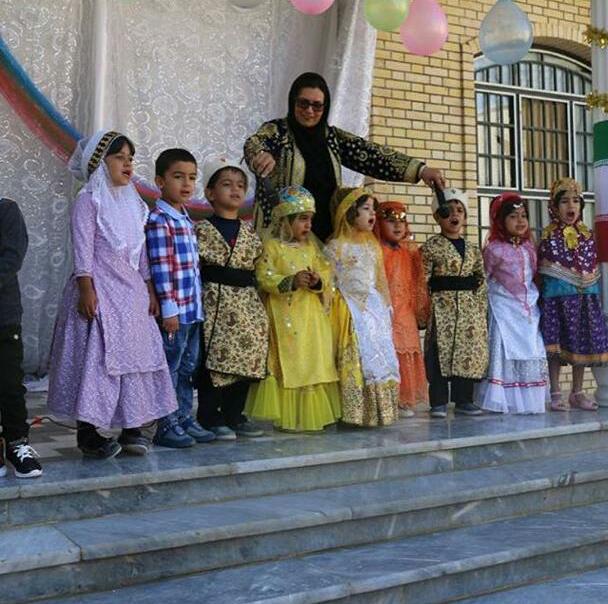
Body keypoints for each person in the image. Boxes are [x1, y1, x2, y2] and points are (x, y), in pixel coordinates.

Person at [47, 130, 177, 458]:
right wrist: (86, 288)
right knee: (95, 361)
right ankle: (89, 434)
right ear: (99, 163)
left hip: (131, 295)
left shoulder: (135, 204)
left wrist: (149, 287)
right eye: (119, 157)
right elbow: (83, 247)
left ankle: (132, 427)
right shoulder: (88, 200)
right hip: (100, 292)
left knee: (136, 359)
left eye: (130, 158)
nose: (127, 164)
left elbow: (141, 251)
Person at [244, 72, 446, 242]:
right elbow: (255, 143)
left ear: (325, 108)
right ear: (292, 101)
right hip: (282, 237)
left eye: (317, 106)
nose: (309, 111)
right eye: (303, 103)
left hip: (326, 233)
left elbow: (373, 155)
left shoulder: (332, 138)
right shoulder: (277, 131)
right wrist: (260, 155)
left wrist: (421, 170)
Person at [245, 185, 341, 432]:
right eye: (302, 219)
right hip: (284, 315)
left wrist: (317, 281)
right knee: (291, 362)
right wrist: (291, 281)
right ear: (285, 221)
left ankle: (309, 415)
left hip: (310, 317)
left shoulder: (311, 248)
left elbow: (326, 273)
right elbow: (263, 276)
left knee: (311, 360)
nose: (308, 225)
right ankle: (289, 416)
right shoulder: (272, 247)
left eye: (310, 219)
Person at [146, 149, 215, 447]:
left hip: (192, 309)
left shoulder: (185, 219)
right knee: (170, 367)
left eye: (191, 178)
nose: (186, 184)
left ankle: (184, 416)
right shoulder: (160, 219)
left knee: (188, 367)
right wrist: (169, 309)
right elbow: (161, 268)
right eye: (178, 177)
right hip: (175, 313)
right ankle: (166, 423)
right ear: (160, 181)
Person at [196, 157, 269, 440]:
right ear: (210, 192)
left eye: (240, 185)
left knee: (247, 356)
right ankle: (209, 416)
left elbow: (258, 267)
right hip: (216, 301)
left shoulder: (250, 232)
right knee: (215, 358)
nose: (235, 189)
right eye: (227, 184)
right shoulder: (201, 229)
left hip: (247, 303)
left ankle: (234, 414)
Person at [326, 187, 400, 427]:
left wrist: (386, 307)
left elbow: (380, 280)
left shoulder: (372, 246)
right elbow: (329, 282)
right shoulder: (336, 246)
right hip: (348, 310)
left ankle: (378, 412)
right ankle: (352, 413)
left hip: (373, 310)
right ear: (350, 212)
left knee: (379, 356)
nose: (372, 214)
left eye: (373, 210)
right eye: (366, 209)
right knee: (354, 357)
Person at [538, 177, 608, 411]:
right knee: (555, 344)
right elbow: (544, 270)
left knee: (582, 341)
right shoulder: (548, 236)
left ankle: (577, 392)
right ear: (554, 206)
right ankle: (556, 392)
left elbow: (591, 265)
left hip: (585, 296)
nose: (571, 206)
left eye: (576, 201)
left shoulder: (587, 236)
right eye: (565, 201)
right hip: (557, 299)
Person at [476, 193, 547, 414]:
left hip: (527, 309)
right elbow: (484, 278)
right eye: (513, 216)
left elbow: (532, 276)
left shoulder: (529, 247)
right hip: (503, 308)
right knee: (504, 350)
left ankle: (526, 400)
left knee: (530, 348)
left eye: (523, 216)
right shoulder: (494, 249)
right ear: (500, 220)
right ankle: (502, 399)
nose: (520, 221)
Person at [421, 188, 488, 418]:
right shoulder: (430, 247)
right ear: (438, 217)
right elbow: (422, 280)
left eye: (459, 210)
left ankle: (464, 399)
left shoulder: (472, 249)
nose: (454, 215)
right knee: (439, 352)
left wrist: (478, 307)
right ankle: (438, 401)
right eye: (448, 211)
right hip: (442, 308)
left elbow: (481, 278)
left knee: (467, 351)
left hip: (469, 310)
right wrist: (426, 307)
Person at [373, 200, 429, 415]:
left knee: (406, 350)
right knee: (389, 351)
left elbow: (418, 284)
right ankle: (389, 398)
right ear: (379, 223)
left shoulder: (410, 253)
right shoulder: (376, 251)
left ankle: (405, 399)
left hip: (405, 312)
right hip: (384, 313)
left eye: (402, 221)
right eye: (390, 221)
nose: (397, 226)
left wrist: (419, 312)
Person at [0, 198, 42, 478]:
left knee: (9, 384)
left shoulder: (6, 210)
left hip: (3, 317)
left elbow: (11, 258)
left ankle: (17, 444)